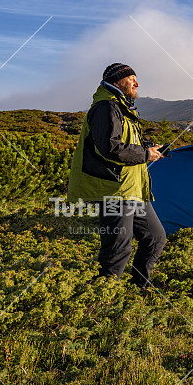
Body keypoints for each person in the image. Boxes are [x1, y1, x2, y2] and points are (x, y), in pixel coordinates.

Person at [67, 63, 167, 290]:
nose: (137, 83)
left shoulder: (122, 107)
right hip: (114, 191)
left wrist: (150, 148)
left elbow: (124, 142)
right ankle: (100, 302)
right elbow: (109, 148)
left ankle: (138, 289)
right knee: (117, 251)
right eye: (132, 78)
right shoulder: (106, 107)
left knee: (155, 237)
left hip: (133, 190)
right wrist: (144, 154)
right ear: (116, 81)